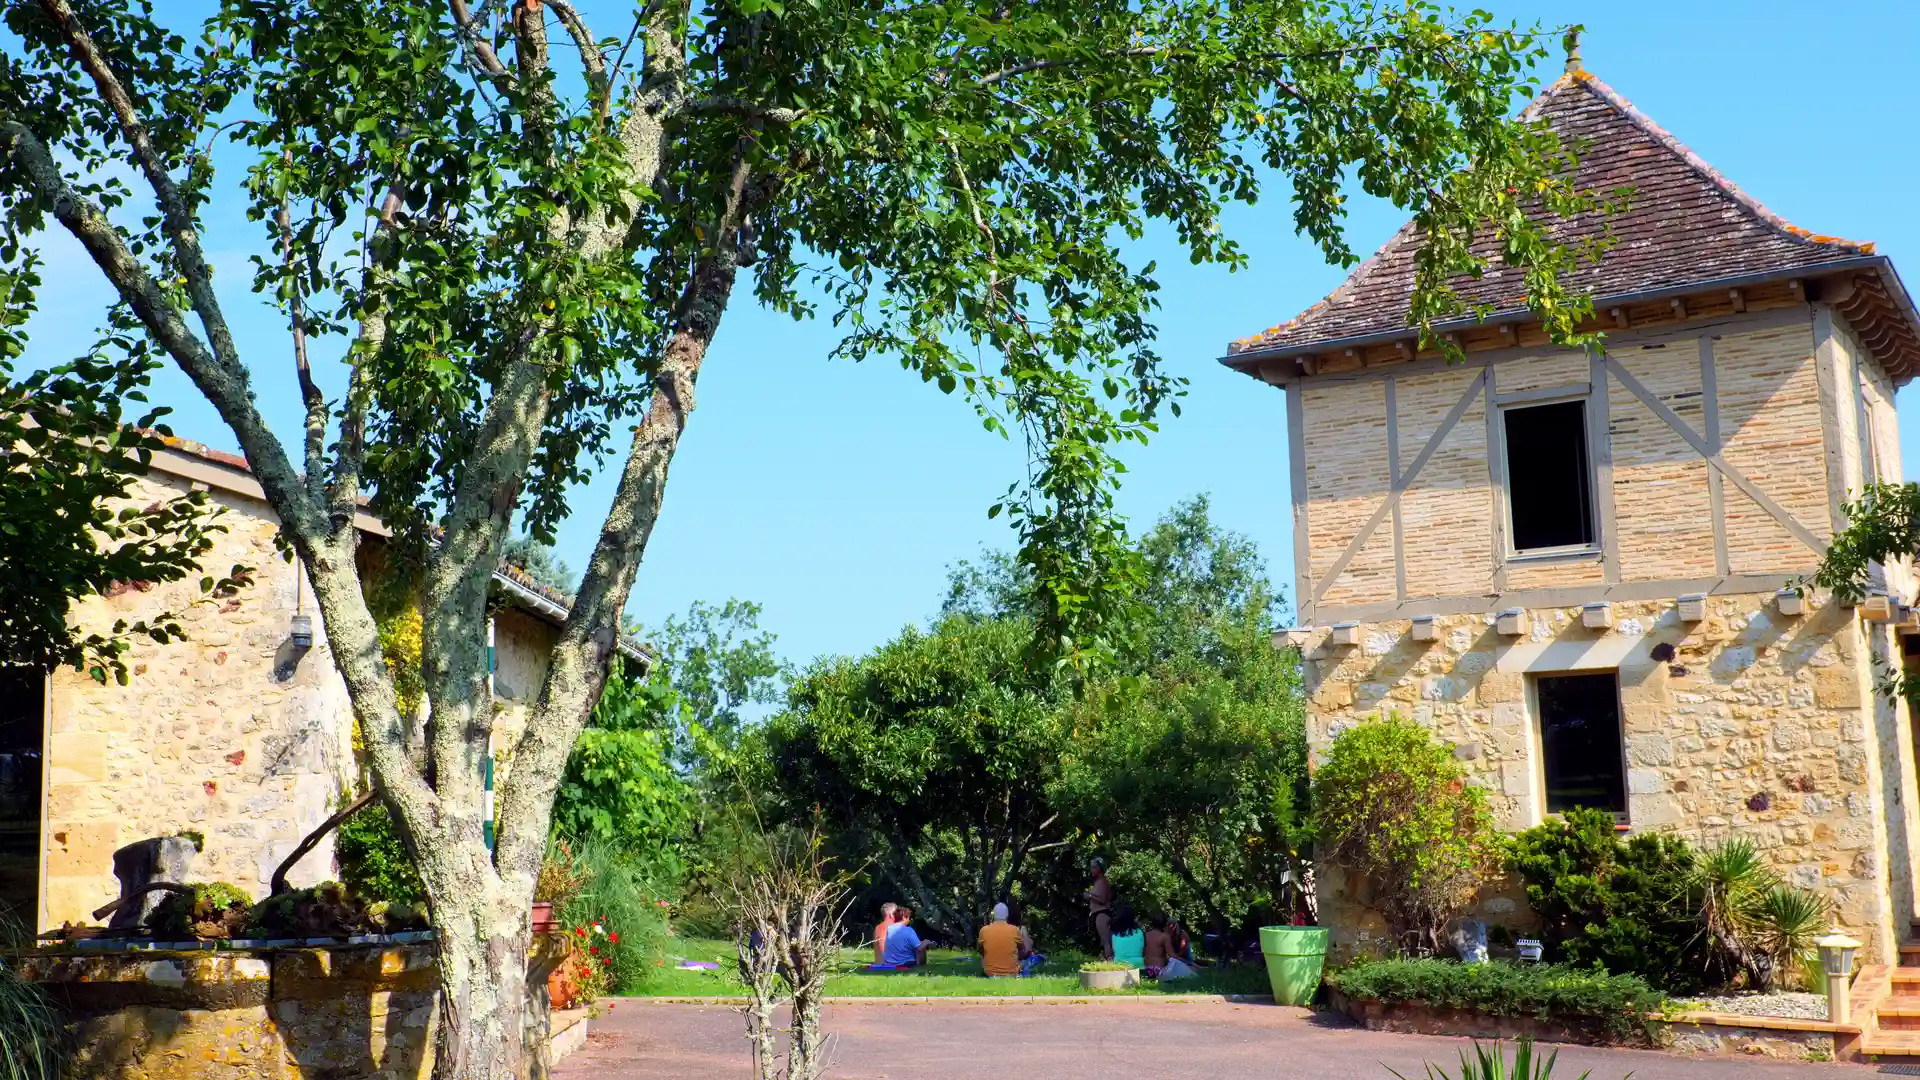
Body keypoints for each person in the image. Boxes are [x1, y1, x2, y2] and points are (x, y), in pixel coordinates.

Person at [977, 902, 1025, 977]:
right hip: (1012, 974)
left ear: (994, 915)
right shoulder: (1015, 930)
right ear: (1007, 915)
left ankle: (987, 970)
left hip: (990, 974)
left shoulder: (983, 930)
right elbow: (1022, 950)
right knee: (1023, 958)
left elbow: (981, 951)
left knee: (982, 952)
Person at [1083, 857, 1115, 960]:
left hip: (1102, 914)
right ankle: (1106, 959)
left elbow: (1103, 899)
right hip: (1098, 914)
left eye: (1094, 867)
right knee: (1103, 941)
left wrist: (1089, 896)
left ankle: (1110, 961)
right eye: (1091, 867)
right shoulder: (1098, 882)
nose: (1091, 870)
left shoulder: (1102, 881)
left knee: (1106, 941)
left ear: (1100, 868)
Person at [1109, 903, 1145, 969]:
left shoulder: (1115, 934)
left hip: (1119, 966)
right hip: (1138, 966)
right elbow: (1143, 950)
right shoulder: (1139, 932)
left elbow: (1115, 950)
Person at [1143, 914, 1171, 979]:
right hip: (1159, 969)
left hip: (1146, 968)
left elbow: (1143, 952)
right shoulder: (1165, 937)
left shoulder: (1146, 935)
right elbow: (1171, 954)